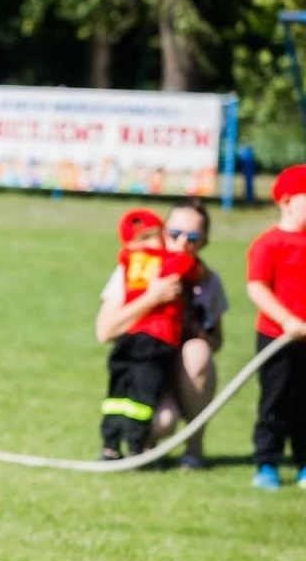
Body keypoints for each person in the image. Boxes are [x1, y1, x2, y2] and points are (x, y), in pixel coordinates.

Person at [94, 199, 227, 468]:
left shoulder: (207, 281)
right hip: (145, 360)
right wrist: (152, 298)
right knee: (162, 421)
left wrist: (196, 330)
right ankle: (139, 447)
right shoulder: (136, 268)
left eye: (192, 237)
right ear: (162, 232)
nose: (181, 243)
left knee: (198, 352)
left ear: (203, 242)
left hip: (181, 367)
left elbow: (217, 341)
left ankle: (194, 449)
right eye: (174, 234)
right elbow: (104, 331)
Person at [246, 163, 306, 489]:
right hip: (277, 339)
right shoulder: (270, 244)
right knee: (276, 400)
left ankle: (304, 464)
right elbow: (257, 286)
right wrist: (286, 320)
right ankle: (266, 463)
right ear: (286, 201)